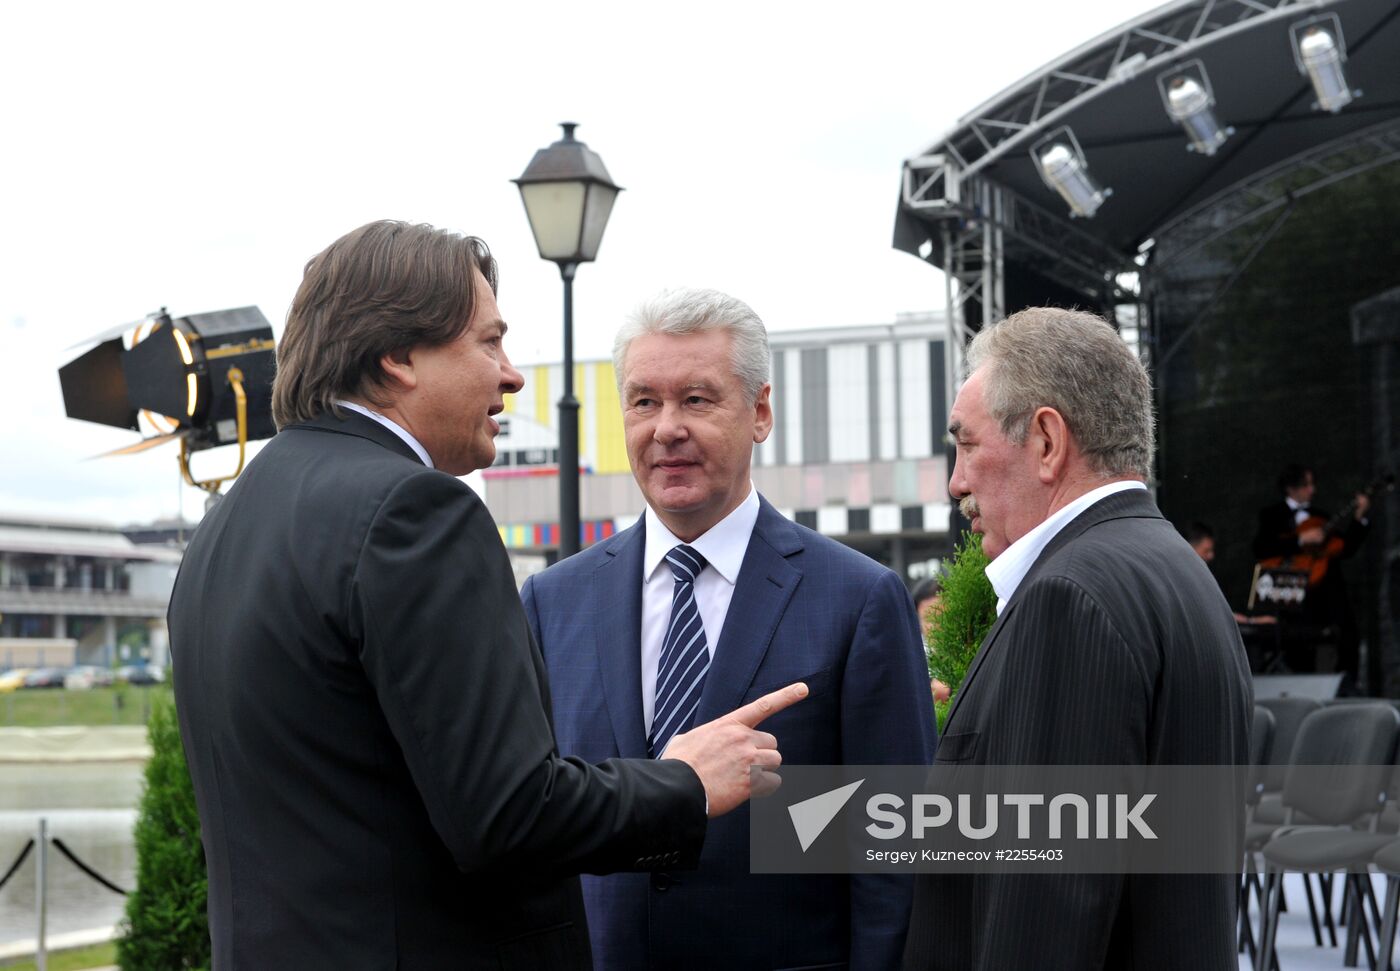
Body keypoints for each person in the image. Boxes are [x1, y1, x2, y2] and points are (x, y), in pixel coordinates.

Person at [167, 222, 807, 970]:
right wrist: (684, 783)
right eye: (488, 343)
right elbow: (508, 812)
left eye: (697, 398)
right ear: (399, 356)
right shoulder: (450, 533)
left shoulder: (221, 531)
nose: (513, 374)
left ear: (759, 411)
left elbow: (890, 832)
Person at [521, 288, 937, 970]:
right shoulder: (552, 600)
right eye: (644, 401)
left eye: (697, 398)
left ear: (761, 412)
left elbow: (893, 858)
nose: (666, 428)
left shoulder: (858, 599)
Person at [901, 307, 1252, 970]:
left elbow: (1043, 913)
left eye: (967, 444)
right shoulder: (1176, 570)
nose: (956, 481)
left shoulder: (1069, 598)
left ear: (1046, 441)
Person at [1252, 463, 1370, 681]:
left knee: (1345, 633)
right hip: (1292, 593)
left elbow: (1345, 548)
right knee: (1296, 644)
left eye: (1311, 485)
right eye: (1305, 485)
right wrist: (1300, 540)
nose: (1311, 490)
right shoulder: (1272, 515)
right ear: (1291, 487)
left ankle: (1345, 683)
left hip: (1324, 594)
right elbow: (1262, 549)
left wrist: (1359, 518)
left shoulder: (1320, 516)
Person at [911, 576, 950, 702]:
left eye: (941, 617)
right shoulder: (912, 657)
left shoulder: (973, 648)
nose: (934, 627)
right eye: (928, 619)